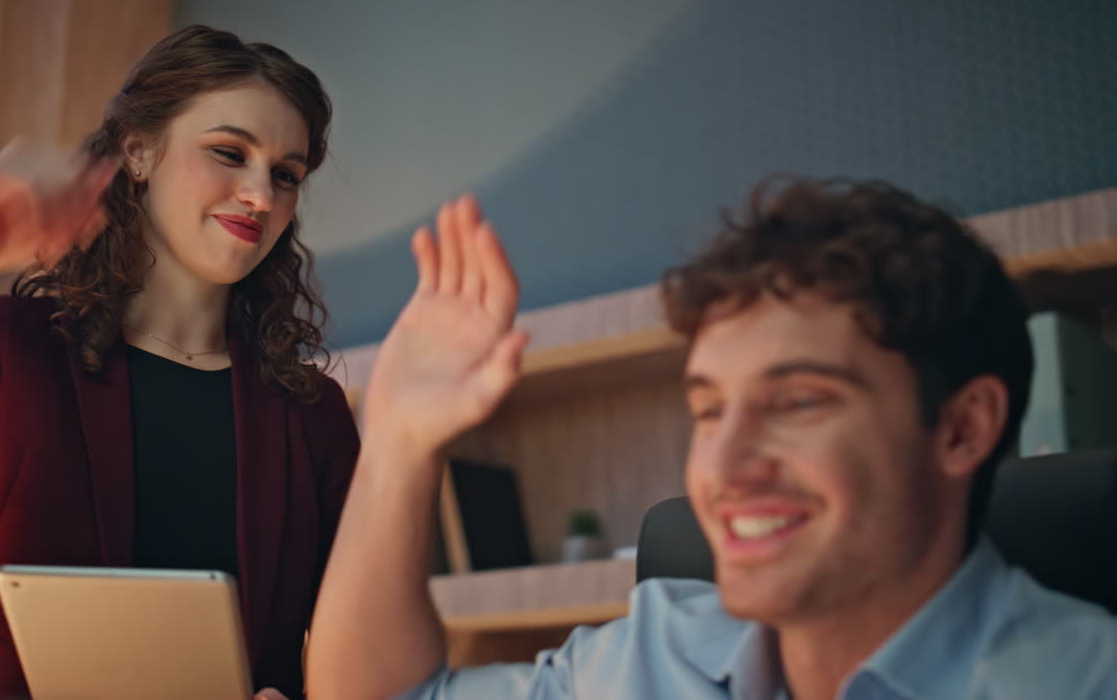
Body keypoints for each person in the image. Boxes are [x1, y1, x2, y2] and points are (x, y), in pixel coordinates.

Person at [306, 180, 1117, 699]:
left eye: (797, 402)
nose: (722, 471)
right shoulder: (661, 655)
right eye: (707, 410)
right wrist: (399, 444)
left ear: (962, 427)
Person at [0, 25, 356, 699]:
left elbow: (364, 639)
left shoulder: (312, 416)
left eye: (286, 175)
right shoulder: (16, 349)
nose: (261, 195)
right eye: (230, 152)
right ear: (139, 153)